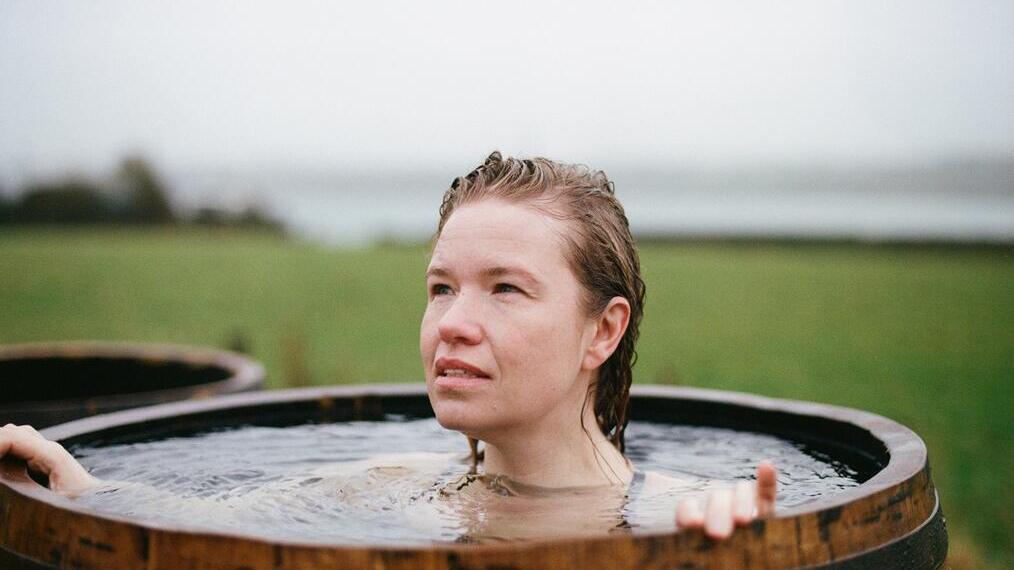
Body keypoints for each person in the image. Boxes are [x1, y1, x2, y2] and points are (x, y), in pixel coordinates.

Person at [0, 151, 777, 541]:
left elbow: (721, 519)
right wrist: (77, 487)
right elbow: (207, 522)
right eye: (441, 288)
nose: (453, 323)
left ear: (602, 330)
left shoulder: (670, 512)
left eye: (505, 288)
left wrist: (740, 544)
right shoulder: (400, 488)